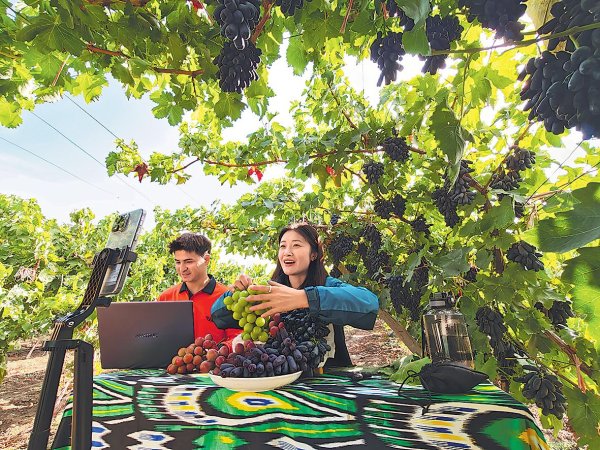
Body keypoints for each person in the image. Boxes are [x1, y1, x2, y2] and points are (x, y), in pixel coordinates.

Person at [211, 222, 379, 367]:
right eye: (283, 246)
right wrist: (234, 293)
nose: (287, 252)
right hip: (279, 377)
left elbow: (369, 303)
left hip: (327, 381)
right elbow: (218, 316)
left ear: (313, 254)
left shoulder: (327, 284)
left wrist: (305, 298)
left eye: (296, 245)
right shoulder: (270, 291)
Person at [158, 232, 241, 342]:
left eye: (188, 262)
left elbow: (237, 339)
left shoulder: (226, 298)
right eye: (178, 262)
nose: (182, 269)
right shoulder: (165, 298)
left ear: (206, 260)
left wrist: (219, 350)